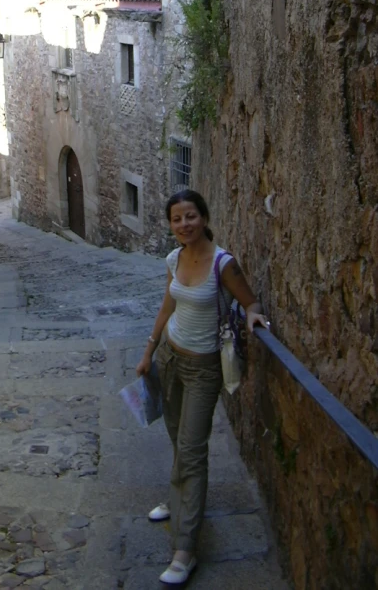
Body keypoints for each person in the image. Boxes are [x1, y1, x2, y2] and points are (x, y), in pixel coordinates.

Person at [136, 189, 269, 585]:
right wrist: (149, 351)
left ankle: (185, 549)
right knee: (178, 439)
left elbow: (252, 302)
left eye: (190, 216)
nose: (184, 225)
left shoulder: (223, 264)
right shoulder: (174, 259)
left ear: (204, 217)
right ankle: (178, 500)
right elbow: (167, 306)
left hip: (203, 369)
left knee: (192, 450)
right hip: (169, 360)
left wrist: (254, 318)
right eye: (177, 219)